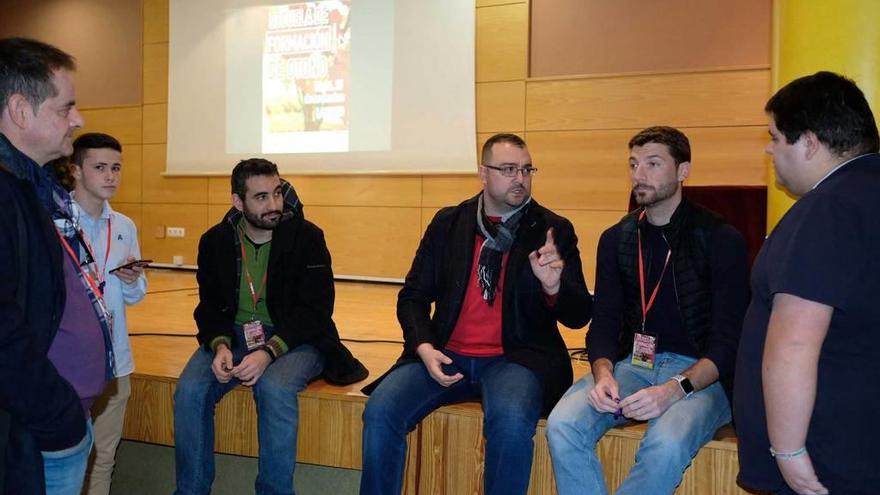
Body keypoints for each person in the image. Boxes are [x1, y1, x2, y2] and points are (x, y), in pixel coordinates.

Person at [360, 133, 593, 495]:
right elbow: (413, 296)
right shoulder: (450, 224)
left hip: (516, 359)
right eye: (509, 169)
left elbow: (579, 315)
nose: (521, 178)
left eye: (527, 169)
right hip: (445, 354)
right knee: (380, 411)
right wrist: (423, 346)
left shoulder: (550, 229)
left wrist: (553, 286)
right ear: (483, 174)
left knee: (512, 422)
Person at [546, 126, 749, 495]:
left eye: (653, 164)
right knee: (562, 423)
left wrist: (676, 388)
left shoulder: (721, 239)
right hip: (634, 367)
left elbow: (728, 344)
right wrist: (604, 372)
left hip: (702, 378)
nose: (639, 174)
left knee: (666, 442)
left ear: (683, 171)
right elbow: (603, 323)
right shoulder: (616, 239)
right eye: (634, 164)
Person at [173, 158, 367, 495]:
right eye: (261, 197)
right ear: (238, 201)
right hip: (233, 336)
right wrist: (219, 345)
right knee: (190, 391)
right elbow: (208, 306)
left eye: (277, 193)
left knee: (275, 388)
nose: (274, 205)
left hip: (295, 339)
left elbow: (315, 311)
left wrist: (268, 352)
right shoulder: (215, 241)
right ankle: (191, 490)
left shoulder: (307, 237)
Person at [734, 71, 880, 495]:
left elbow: (794, 343)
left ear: (810, 143)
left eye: (776, 137)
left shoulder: (827, 210)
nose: (768, 148)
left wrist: (788, 452)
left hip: (827, 460)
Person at [0, 37, 112, 495]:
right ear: (21, 110)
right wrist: (60, 418)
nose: (79, 119)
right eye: (66, 107)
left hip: (52, 424)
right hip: (36, 433)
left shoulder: (32, 187)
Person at [68, 133, 147, 495]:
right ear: (75, 170)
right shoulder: (56, 223)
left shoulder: (125, 226)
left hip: (116, 363)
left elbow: (134, 295)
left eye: (115, 168)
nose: (110, 176)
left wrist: (131, 279)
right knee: (65, 456)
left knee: (104, 456)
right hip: (69, 365)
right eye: (99, 167)